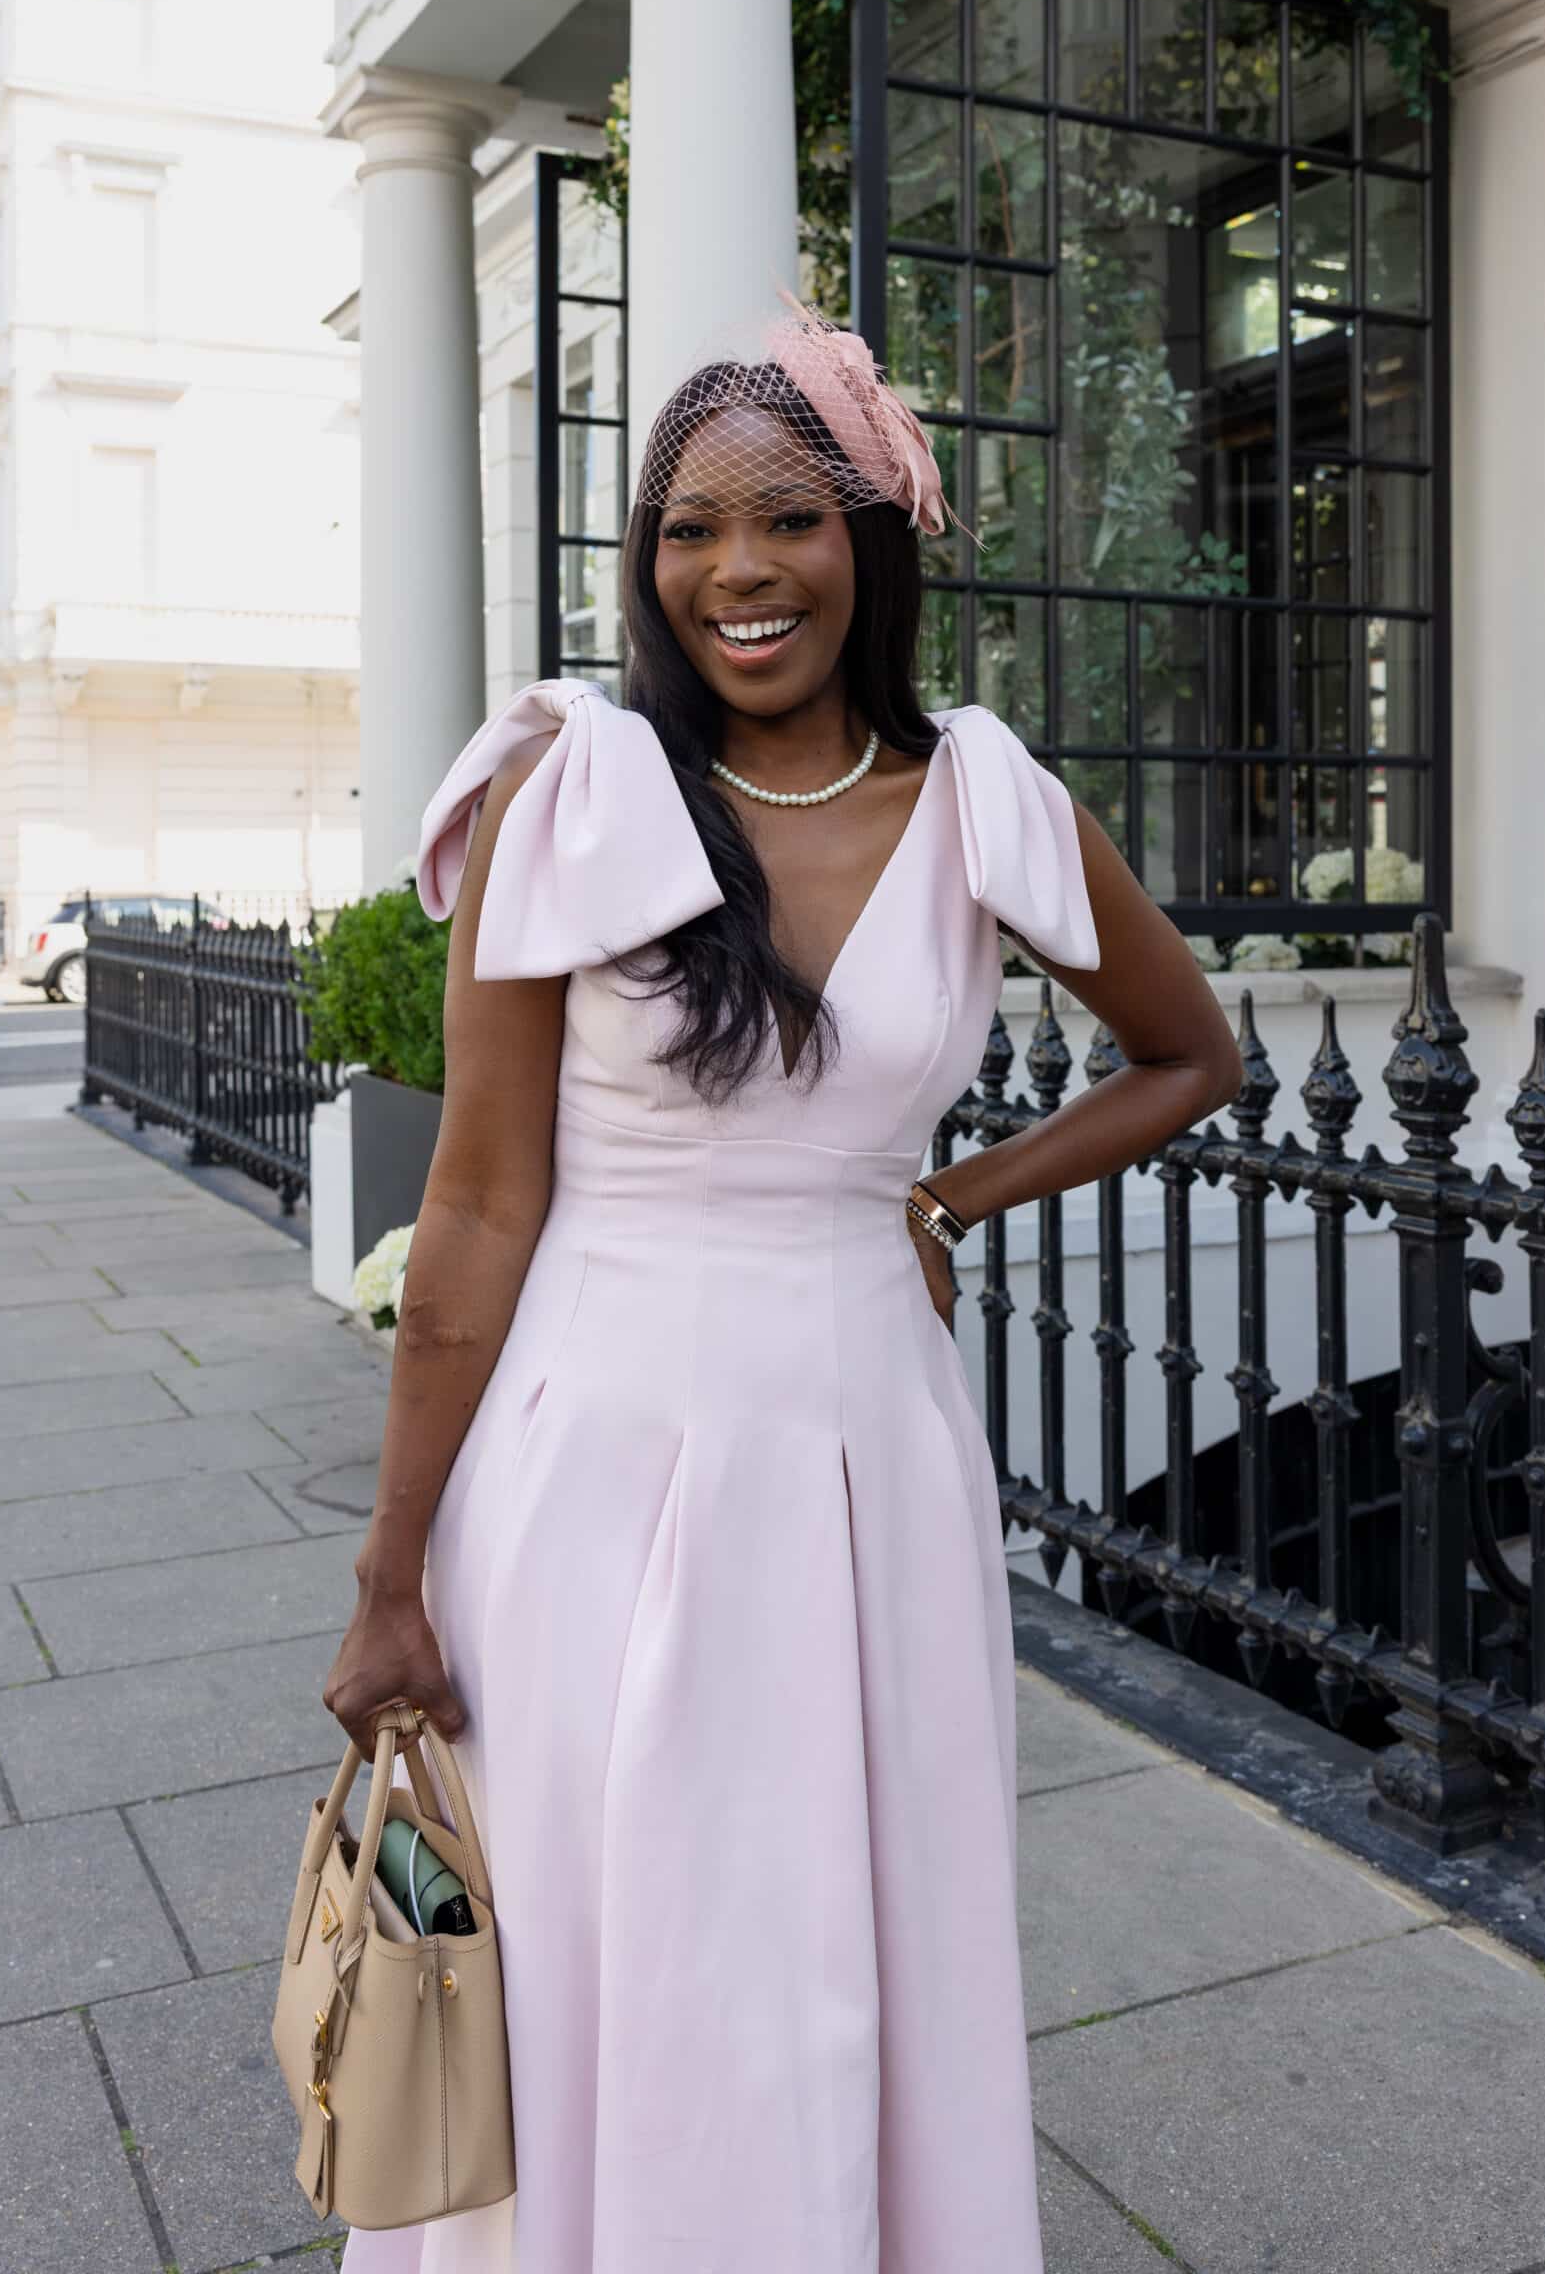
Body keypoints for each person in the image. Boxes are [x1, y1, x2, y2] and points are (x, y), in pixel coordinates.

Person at [323, 304, 1242, 2274]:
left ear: (873, 540)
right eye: (688, 528)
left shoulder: (982, 798)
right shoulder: (570, 791)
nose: (737, 568)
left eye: (789, 518)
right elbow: (477, 1203)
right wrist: (392, 1565)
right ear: (646, 563)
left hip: (865, 1467)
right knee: (601, 1937)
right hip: (590, 1459)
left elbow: (1190, 1053)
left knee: (844, 1939)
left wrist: (955, 1194)